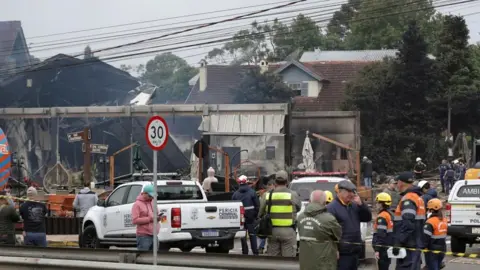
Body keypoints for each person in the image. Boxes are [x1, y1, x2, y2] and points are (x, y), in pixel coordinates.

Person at [327, 180, 372, 270]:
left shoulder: (354, 205)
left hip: (355, 251)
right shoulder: (331, 208)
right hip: (342, 253)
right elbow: (328, 232)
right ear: (339, 192)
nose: (351, 195)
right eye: (348, 193)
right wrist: (334, 249)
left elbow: (367, 218)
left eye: (352, 193)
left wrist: (361, 204)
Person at [258, 170, 301, 257]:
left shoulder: (267, 195)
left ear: (275, 181)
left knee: (274, 262)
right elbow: (298, 208)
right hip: (288, 231)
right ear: (287, 181)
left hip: (272, 231)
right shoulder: (293, 194)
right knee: (288, 261)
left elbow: (260, 213)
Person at [297, 190, 342, 270]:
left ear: (310, 201)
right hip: (324, 263)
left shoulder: (300, 217)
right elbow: (338, 235)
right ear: (324, 203)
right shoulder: (329, 219)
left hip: (305, 263)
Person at [392, 172, 425, 270]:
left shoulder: (408, 199)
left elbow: (408, 223)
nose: (396, 184)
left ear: (401, 183)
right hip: (415, 242)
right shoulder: (418, 198)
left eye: (397, 182)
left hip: (409, 244)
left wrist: (399, 241)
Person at [232, 175, 260, 255]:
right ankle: (255, 252)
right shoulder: (252, 192)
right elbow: (257, 205)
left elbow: (234, 208)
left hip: (241, 218)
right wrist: (255, 215)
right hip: (251, 217)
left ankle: (245, 252)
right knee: (252, 234)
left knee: (243, 236)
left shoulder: (235, 194)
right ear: (246, 182)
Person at [131, 184, 161, 251]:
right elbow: (135, 220)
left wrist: (158, 218)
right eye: (150, 196)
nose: (152, 198)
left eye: (153, 196)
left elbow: (156, 214)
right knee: (144, 257)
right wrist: (150, 219)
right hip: (143, 236)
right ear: (144, 194)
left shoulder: (153, 202)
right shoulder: (137, 204)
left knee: (154, 258)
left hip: (154, 234)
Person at [423, 198, 447, 270]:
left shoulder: (430, 222)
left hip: (432, 250)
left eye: (428, 209)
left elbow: (425, 238)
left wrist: (422, 247)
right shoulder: (444, 220)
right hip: (442, 248)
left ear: (432, 210)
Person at [372, 192, 394, 270]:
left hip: (383, 248)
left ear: (382, 204)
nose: (376, 205)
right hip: (387, 246)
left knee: (383, 267)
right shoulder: (390, 214)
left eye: (377, 203)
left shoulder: (382, 216)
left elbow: (381, 234)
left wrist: (377, 249)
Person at [258, 180, 275, 254]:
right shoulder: (278, 194)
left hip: (267, 216)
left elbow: (262, 206)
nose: (268, 187)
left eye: (269, 185)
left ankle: (261, 248)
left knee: (264, 232)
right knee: (271, 234)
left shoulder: (266, 195)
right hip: (276, 217)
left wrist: (259, 216)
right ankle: (268, 248)